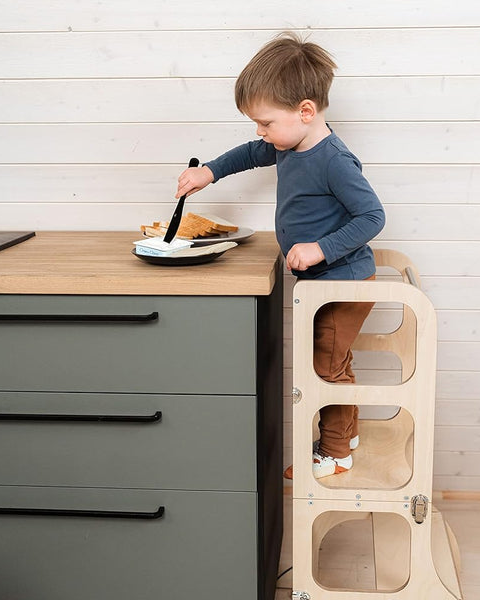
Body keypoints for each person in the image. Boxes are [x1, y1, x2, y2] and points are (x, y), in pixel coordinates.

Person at [175, 31, 385, 478]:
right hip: (323, 283)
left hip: (342, 282)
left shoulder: (333, 160)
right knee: (334, 361)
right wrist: (209, 172)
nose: (260, 132)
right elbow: (250, 153)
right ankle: (344, 433)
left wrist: (318, 248)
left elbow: (372, 217)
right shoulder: (290, 144)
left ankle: (336, 453)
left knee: (325, 368)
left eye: (266, 122)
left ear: (305, 111)